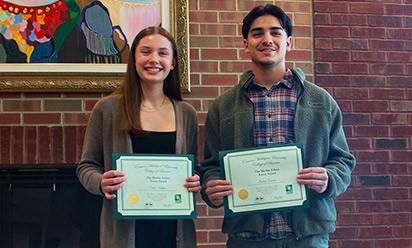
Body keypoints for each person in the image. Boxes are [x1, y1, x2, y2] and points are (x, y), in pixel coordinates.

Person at [200, 4, 356, 248]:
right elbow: (210, 166)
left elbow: (343, 160)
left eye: (275, 32)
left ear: (289, 42)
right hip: (247, 239)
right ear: (245, 44)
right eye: (257, 33)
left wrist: (329, 179)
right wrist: (212, 189)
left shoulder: (321, 101)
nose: (267, 39)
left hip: (307, 237)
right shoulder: (223, 107)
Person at [76, 26, 200, 248]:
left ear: (172, 63)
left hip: (175, 231)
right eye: (145, 52)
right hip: (125, 234)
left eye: (162, 53)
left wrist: (195, 180)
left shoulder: (186, 114)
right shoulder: (107, 109)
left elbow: (194, 168)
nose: (154, 59)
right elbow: (87, 166)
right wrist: (101, 182)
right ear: (133, 59)